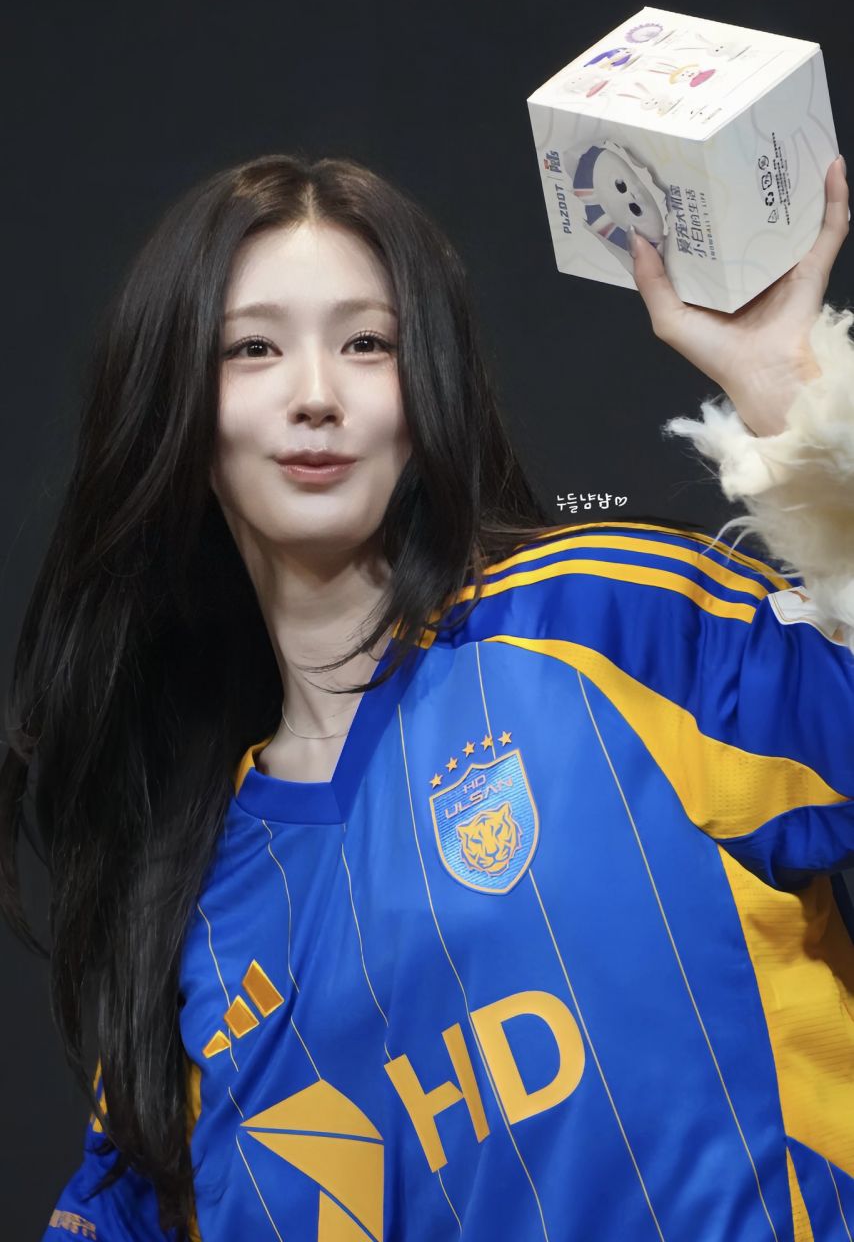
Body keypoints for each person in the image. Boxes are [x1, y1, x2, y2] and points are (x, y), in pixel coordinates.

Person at [1, 150, 852, 1241]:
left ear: (427, 383)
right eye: (252, 347)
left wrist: (794, 394)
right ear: (180, 405)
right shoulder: (192, 918)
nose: (316, 394)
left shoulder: (603, 618)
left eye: (368, 343)